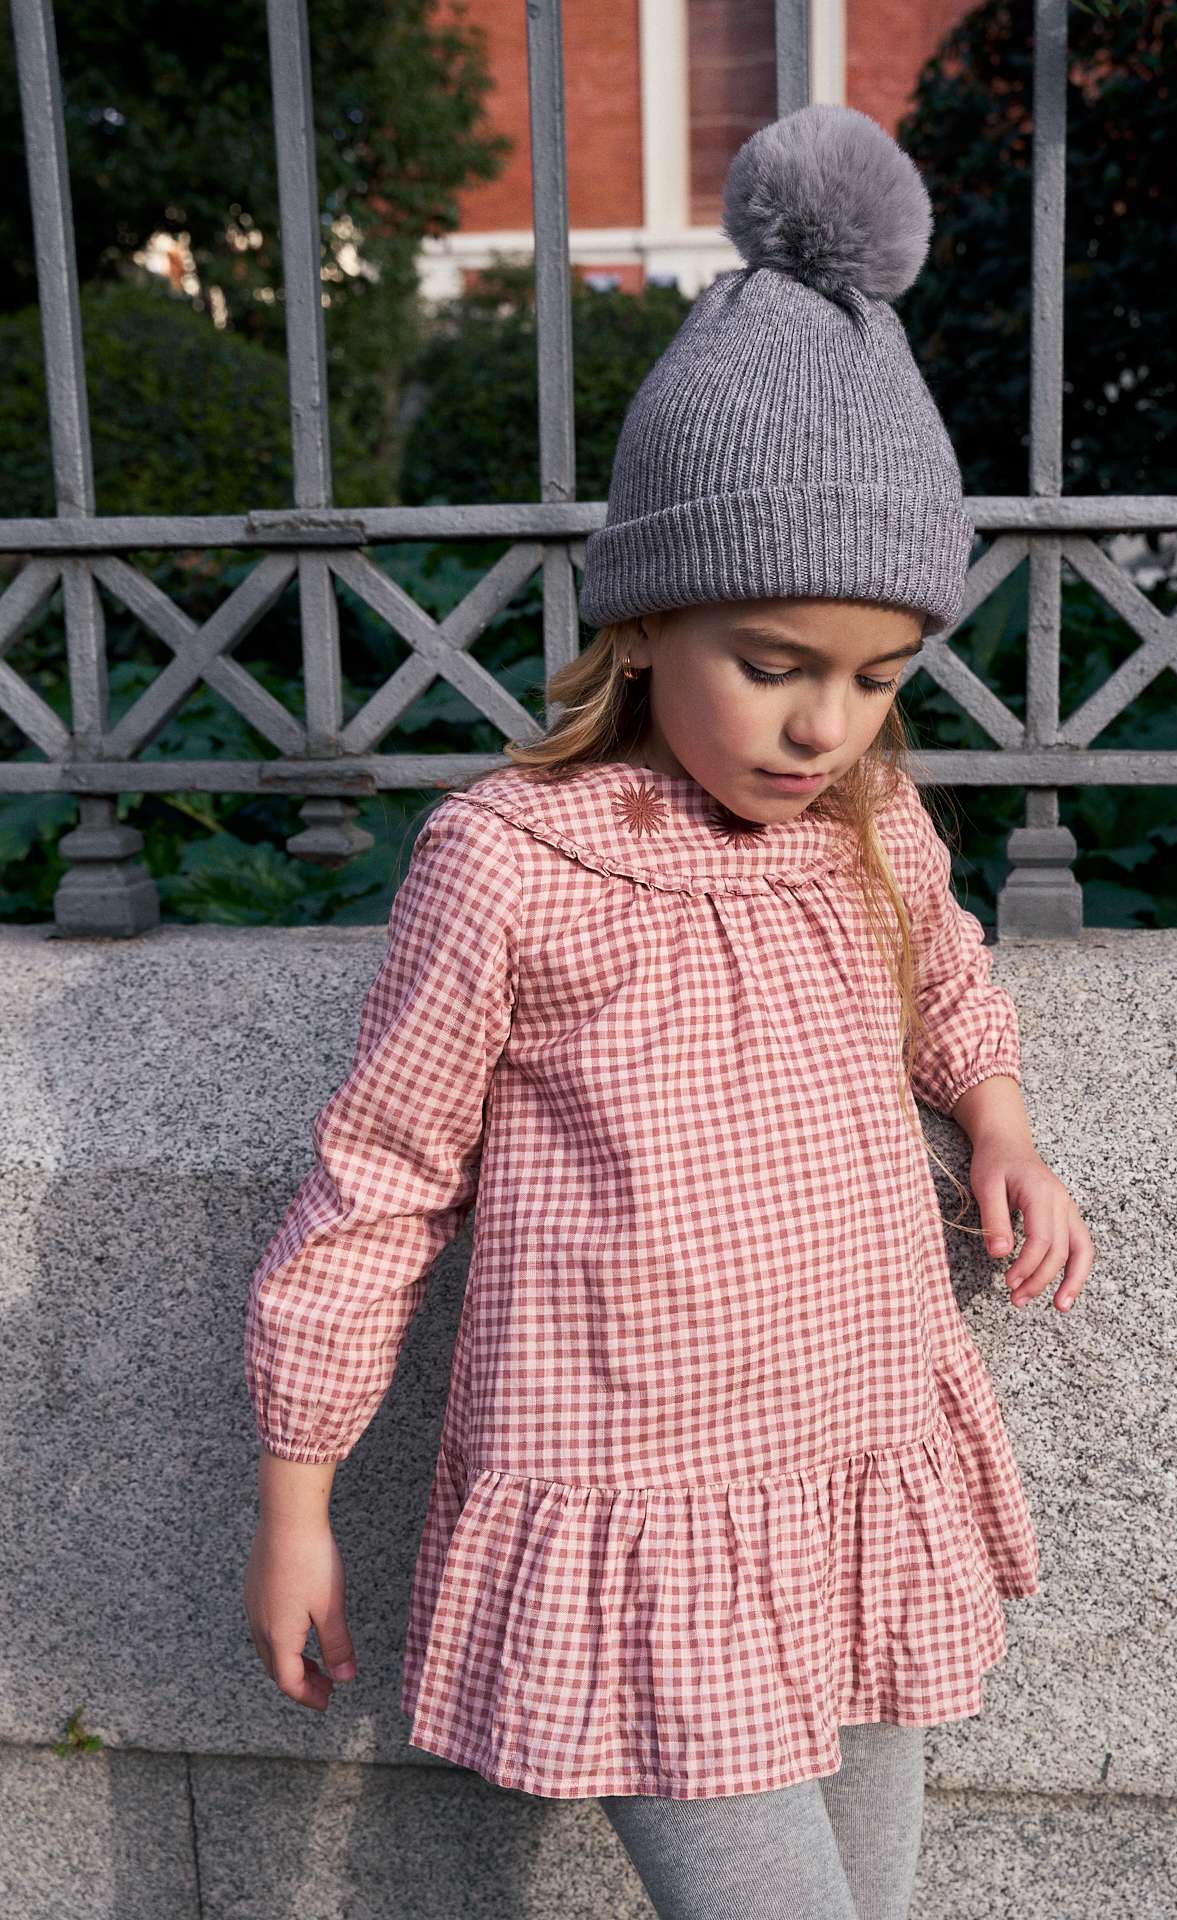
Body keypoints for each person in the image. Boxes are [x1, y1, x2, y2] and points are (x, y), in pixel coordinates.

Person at [242, 102, 1094, 1920]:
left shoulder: (868, 819)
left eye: (877, 678)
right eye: (774, 665)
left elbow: (942, 965)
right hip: (638, 1508)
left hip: (852, 1460)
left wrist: (997, 1112)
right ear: (644, 620)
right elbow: (378, 1182)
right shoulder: (514, 861)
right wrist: (298, 1497)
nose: (824, 729)